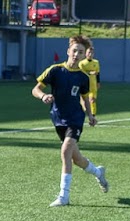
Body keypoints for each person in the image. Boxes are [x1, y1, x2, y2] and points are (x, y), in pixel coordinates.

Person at [32, 35, 109, 207]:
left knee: (65, 150)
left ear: (84, 55)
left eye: (80, 52)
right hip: (58, 119)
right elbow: (35, 89)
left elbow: (85, 98)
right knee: (77, 159)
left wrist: (90, 115)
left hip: (75, 118)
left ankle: (64, 196)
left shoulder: (83, 77)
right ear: (68, 51)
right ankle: (98, 173)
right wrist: (43, 96)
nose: (76, 54)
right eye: (74, 51)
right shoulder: (55, 70)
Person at [78, 41, 101, 116]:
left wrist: (98, 82)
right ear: (85, 53)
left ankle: (93, 115)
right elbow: (81, 74)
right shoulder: (82, 63)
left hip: (93, 85)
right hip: (84, 85)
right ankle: (84, 112)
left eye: (92, 53)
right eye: (89, 53)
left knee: (92, 100)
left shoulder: (96, 62)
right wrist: (90, 73)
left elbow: (98, 73)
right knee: (84, 101)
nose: (90, 54)